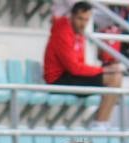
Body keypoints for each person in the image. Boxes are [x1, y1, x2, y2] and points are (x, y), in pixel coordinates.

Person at [43, 1, 123, 129]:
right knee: (113, 78)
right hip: (58, 80)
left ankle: (103, 122)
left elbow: (79, 65)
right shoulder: (63, 32)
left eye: (86, 20)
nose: (83, 23)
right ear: (72, 16)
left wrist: (103, 70)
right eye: (80, 19)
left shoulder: (77, 33)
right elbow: (74, 68)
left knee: (116, 75)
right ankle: (99, 124)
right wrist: (102, 70)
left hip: (68, 76)